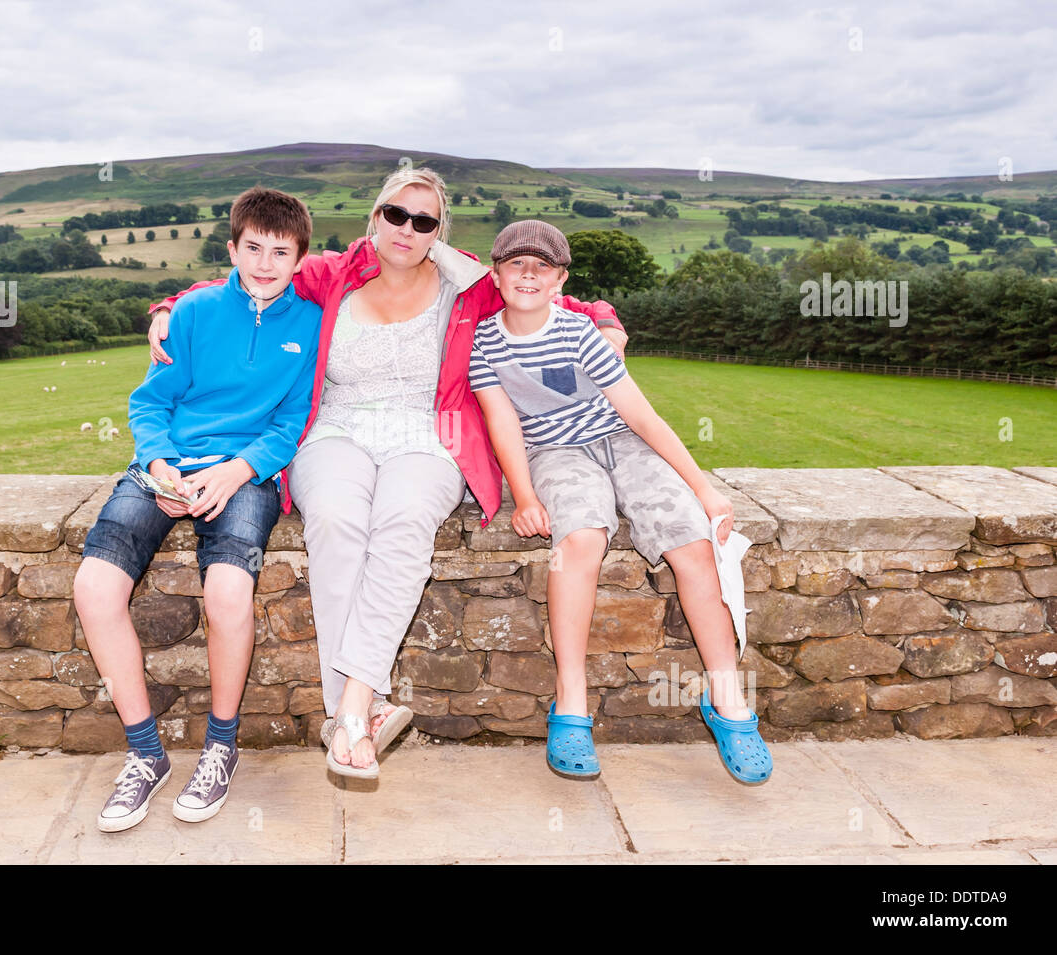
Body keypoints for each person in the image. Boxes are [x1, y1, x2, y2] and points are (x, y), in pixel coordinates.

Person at [144, 167, 628, 780]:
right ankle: (359, 717)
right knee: (337, 522)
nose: (407, 228)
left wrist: (605, 320)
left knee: (403, 526)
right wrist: (165, 309)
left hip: (427, 433)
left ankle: (351, 707)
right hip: (336, 427)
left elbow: (545, 294)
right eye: (396, 214)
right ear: (376, 217)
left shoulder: (465, 282)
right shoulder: (332, 273)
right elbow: (244, 276)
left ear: (438, 233)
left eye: (423, 221)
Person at [469, 220, 772, 784]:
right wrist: (527, 496)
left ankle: (727, 700)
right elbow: (503, 422)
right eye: (516, 264)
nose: (528, 275)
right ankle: (571, 703)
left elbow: (640, 415)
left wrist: (703, 489)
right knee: (580, 539)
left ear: (560, 279)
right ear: (496, 273)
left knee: (692, 542)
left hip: (623, 443)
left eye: (542, 266)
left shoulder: (581, 332)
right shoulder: (485, 342)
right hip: (554, 453)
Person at [74, 186, 323, 831]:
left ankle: (220, 745)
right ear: (232, 248)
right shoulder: (193, 310)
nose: (265, 264)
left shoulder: (312, 323)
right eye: (253, 249)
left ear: (300, 256)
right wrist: (158, 465)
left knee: (228, 593)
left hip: (247, 474)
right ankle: (145, 754)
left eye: (281, 252)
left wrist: (237, 470)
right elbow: (151, 401)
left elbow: (291, 422)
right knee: (94, 588)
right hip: (167, 467)